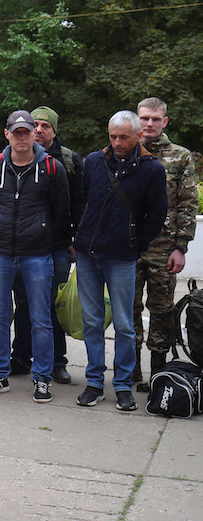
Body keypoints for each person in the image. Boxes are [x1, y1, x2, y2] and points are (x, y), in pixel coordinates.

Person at [0, 110, 70, 403]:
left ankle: (42, 378)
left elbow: (61, 212)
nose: (22, 137)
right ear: (7, 134)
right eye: (16, 132)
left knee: (41, 319)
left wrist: (45, 236)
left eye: (26, 132)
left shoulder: (52, 168)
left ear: (33, 135)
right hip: (0, 254)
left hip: (37, 256)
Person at [74, 110, 167, 411]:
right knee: (92, 322)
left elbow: (157, 213)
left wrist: (135, 242)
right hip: (88, 254)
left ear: (138, 136)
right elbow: (82, 200)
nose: (117, 143)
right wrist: (79, 234)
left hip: (122, 256)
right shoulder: (93, 161)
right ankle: (94, 382)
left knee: (125, 325)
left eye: (123, 137)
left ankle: (123, 385)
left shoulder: (152, 169)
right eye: (113, 136)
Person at [8, 106, 84, 383]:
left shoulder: (70, 161)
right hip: (24, 246)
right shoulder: (13, 157)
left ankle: (56, 361)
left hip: (58, 246)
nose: (39, 130)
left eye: (45, 126)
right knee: (24, 302)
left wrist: (76, 240)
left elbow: (80, 205)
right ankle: (21, 356)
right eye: (35, 125)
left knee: (53, 304)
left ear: (54, 130)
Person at [132, 97, 197, 389]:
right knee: (128, 310)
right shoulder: (126, 150)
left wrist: (181, 247)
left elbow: (188, 203)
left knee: (161, 312)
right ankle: (131, 370)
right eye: (144, 118)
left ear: (165, 121)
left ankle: (158, 372)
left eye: (155, 119)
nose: (149, 124)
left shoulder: (180, 157)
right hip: (129, 246)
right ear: (137, 119)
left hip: (164, 248)